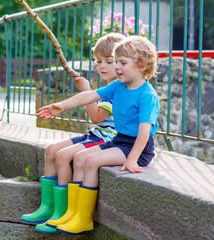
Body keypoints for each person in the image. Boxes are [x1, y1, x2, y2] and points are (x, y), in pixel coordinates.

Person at [37, 35, 160, 235]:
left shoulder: (147, 95)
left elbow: (145, 132)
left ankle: (83, 219)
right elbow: (90, 95)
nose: (117, 68)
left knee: (91, 161)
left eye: (122, 63)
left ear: (142, 65)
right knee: (79, 157)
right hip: (119, 140)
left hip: (137, 148)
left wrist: (132, 159)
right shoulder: (118, 86)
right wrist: (62, 106)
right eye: (117, 62)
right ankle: (71, 212)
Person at [20, 33, 125, 234]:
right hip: (95, 134)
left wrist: (86, 89)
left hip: (106, 139)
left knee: (63, 156)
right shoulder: (109, 87)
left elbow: (96, 116)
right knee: (51, 150)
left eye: (109, 62)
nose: (102, 66)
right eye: (98, 61)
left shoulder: (118, 90)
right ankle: (48, 207)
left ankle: (63, 212)